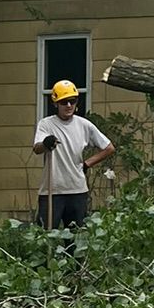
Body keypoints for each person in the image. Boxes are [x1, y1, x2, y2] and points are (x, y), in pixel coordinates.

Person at [32, 79, 113, 232]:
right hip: (52, 190)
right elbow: (37, 148)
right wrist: (46, 143)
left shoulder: (84, 125)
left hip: (77, 190)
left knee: (76, 239)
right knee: (45, 235)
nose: (69, 105)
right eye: (64, 102)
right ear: (55, 103)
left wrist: (87, 164)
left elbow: (108, 148)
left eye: (72, 101)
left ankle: (73, 258)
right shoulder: (46, 124)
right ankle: (48, 258)